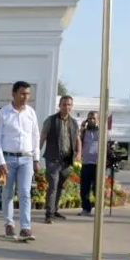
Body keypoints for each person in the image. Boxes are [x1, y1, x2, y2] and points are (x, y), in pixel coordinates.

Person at [0, 81, 41, 241]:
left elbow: (36, 137)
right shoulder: (3, 113)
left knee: (25, 193)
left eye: (28, 94)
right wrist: (0, 161)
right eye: (22, 93)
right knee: (7, 192)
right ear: (14, 94)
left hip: (27, 159)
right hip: (5, 160)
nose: (25, 97)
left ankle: (26, 228)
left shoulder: (31, 113)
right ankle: (9, 224)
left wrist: (36, 159)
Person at [41, 95, 81, 224]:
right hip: (53, 159)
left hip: (67, 161)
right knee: (53, 185)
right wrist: (35, 156)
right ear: (59, 105)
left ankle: (54, 210)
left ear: (71, 106)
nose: (66, 107)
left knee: (59, 186)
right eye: (64, 104)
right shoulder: (51, 120)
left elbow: (78, 139)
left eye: (69, 104)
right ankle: (48, 214)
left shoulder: (74, 122)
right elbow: (43, 137)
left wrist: (79, 154)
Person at [79, 111, 99, 216]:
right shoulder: (84, 132)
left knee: (97, 188)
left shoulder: (101, 132)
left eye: (94, 118)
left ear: (97, 119)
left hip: (97, 164)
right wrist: (82, 128)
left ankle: (99, 210)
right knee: (84, 188)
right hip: (86, 163)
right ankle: (86, 209)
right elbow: (78, 142)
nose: (91, 120)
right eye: (90, 118)